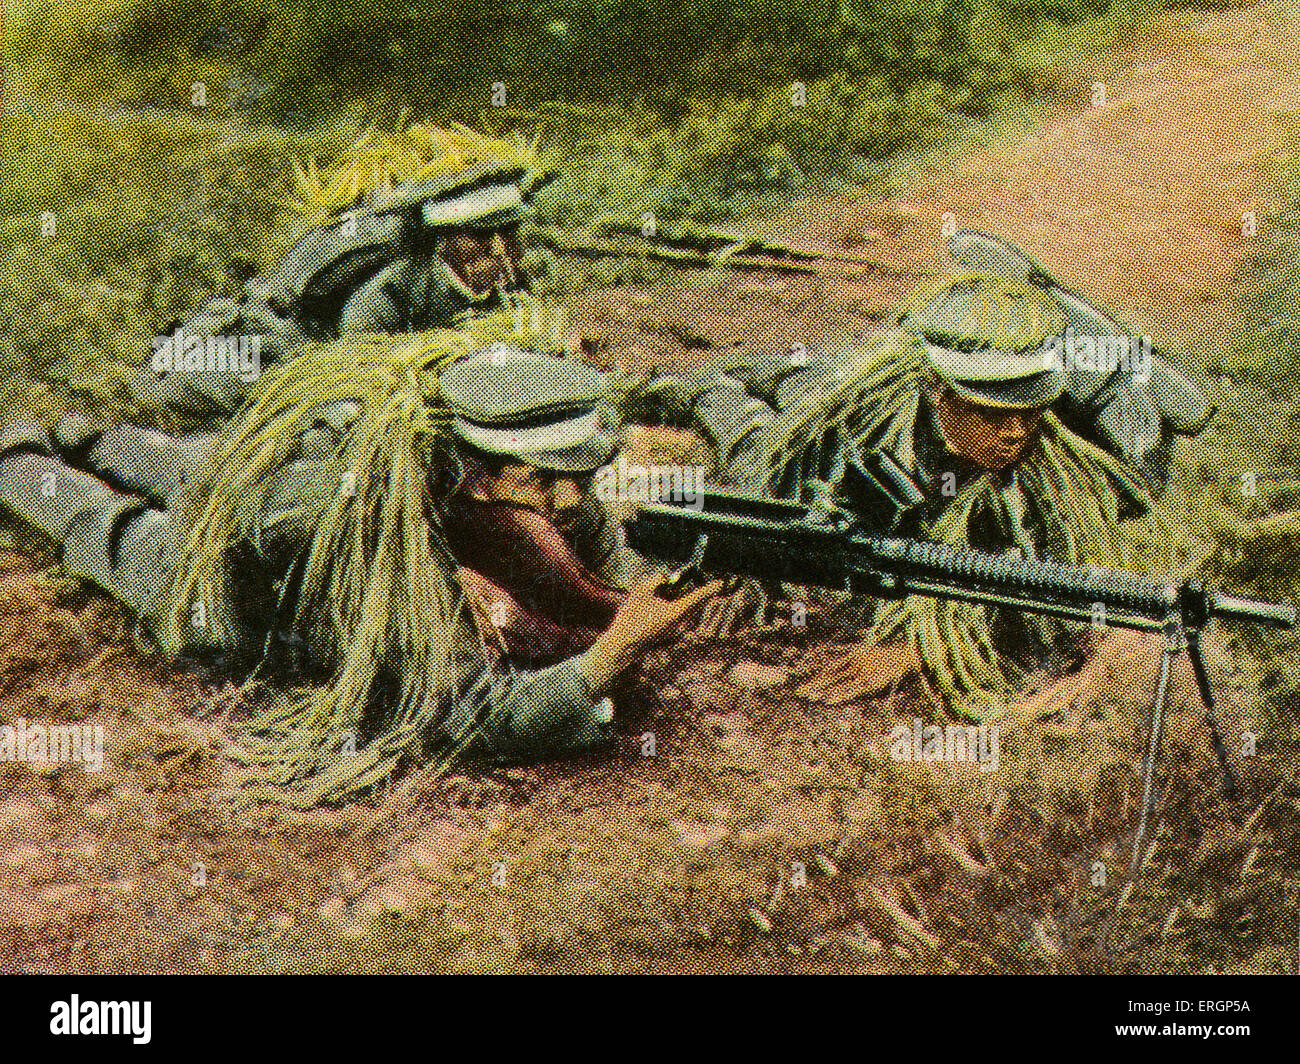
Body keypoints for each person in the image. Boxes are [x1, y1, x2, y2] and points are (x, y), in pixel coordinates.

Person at [0, 312, 717, 804]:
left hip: (271, 489)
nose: (568, 501)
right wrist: (605, 659)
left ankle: (88, 432)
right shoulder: (391, 539)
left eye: (580, 477)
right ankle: (22, 454)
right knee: (116, 529)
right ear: (474, 470)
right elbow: (474, 717)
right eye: (543, 482)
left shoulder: (538, 490)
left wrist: (630, 603)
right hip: (246, 577)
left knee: (183, 463)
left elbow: (599, 569)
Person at [686, 272, 1176, 712]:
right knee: (751, 434)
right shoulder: (869, 427)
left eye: (1028, 413)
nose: (1016, 432)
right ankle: (691, 386)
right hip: (826, 421)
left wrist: (916, 652)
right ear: (942, 399)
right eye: (993, 414)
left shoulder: (1041, 479)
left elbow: (1030, 595)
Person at [119, 122, 555, 423]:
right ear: (445, 240)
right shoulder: (391, 286)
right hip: (283, 348)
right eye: (479, 238)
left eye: (506, 234)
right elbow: (359, 359)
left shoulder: (504, 278)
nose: (498, 252)